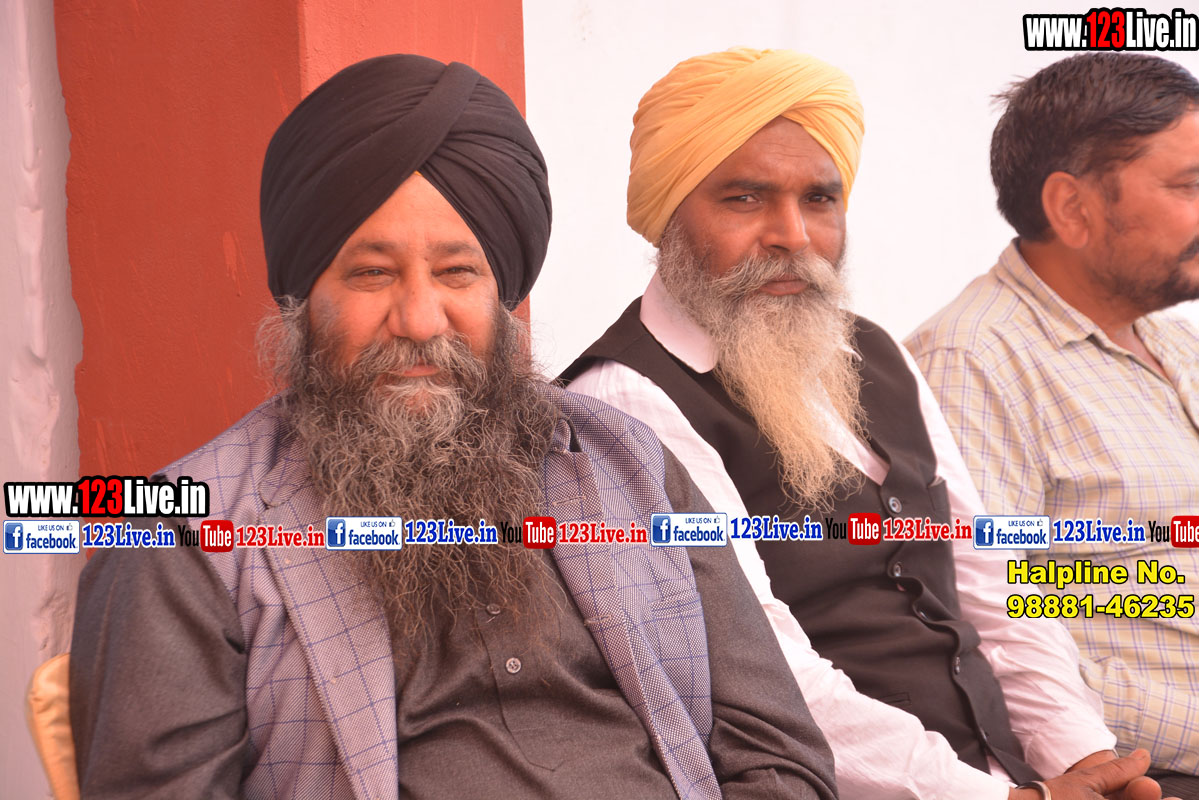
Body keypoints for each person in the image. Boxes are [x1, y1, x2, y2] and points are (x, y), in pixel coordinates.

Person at [68, 54, 839, 800]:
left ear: (501, 294)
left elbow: (776, 750)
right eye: (372, 273)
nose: (418, 320)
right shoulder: (181, 537)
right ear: (304, 298)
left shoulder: (628, 461)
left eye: (456, 272)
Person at [563, 46, 1168, 800]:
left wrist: (1081, 759)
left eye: (819, 199)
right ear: (666, 218)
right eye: (744, 198)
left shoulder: (872, 351)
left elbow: (988, 578)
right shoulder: (625, 397)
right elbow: (760, 668)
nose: (792, 234)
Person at [906, 52, 1199, 797]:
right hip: (1146, 771)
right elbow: (988, 629)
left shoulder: (1173, 342)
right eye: (1189, 186)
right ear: (1072, 208)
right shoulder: (972, 359)